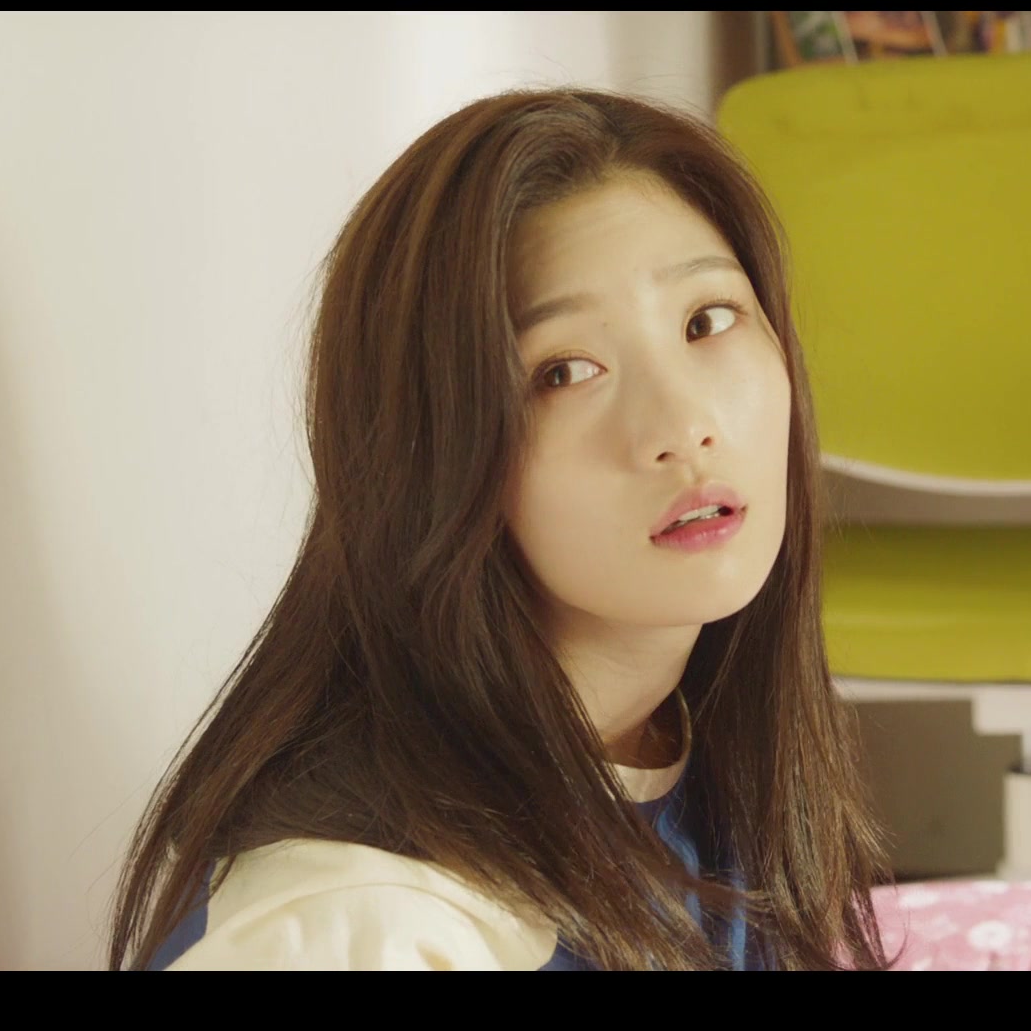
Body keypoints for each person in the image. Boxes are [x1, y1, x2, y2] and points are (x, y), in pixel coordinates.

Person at [109, 88, 894, 971]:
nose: (683, 425)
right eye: (565, 371)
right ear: (435, 456)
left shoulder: (692, 744)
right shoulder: (366, 925)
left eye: (705, 321)